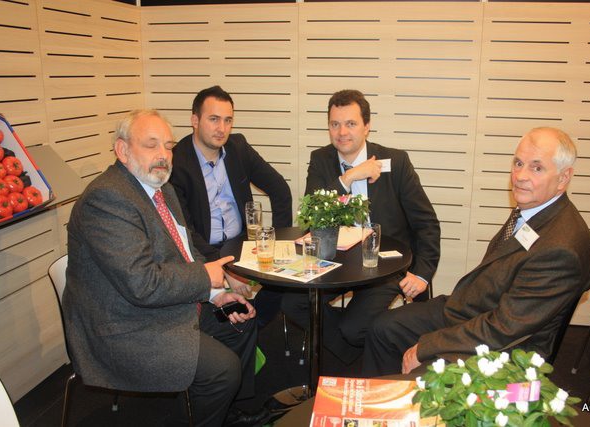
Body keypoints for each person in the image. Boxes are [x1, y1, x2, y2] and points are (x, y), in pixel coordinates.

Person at [62, 110, 265, 426]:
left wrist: (215, 294)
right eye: (151, 145)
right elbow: (141, 284)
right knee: (222, 370)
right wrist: (205, 277)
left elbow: (185, 251)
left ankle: (227, 411)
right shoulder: (106, 199)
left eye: (168, 146)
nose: (163, 155)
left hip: (162, 302)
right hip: (124, 324)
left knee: (241, 323)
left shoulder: (161, 188)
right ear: (122, 150)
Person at [363, 127, 590, 376]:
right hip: (475, 310)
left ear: (563, 178)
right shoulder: (534, 209)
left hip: (507, 348)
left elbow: (504, 328)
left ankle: (401, 395)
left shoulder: (560, 249)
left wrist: (426, 347)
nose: (520, 176)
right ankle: (379, 396)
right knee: (383, 328)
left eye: (536, 168)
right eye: (518, 163)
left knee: (422, 369)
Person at [281, 89, 441, 364]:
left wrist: (422, 274)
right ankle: (355, 357)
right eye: (335, 124)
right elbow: (312, 216)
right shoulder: (321, 159)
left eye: (351, 123)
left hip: (385, 265)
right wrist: (350, 176)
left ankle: (357, 351)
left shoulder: (396, 162)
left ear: (367, 126)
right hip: (336, 262)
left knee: (353, 329)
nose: (342, 132)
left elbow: (426, 223)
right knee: (292, 303)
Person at [170, 86, 293, 326]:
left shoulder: (238, 148)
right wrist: (227, 269)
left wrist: (277, 242)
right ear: (195, 120)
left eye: (228, 120)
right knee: (225, 315)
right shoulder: (177, 163)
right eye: (214, 119)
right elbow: (186, 232)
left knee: (284, 284)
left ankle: (253, 325)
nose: (222, 128)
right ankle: (238, 326)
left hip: (241, 245)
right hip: (203, 250)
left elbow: (280, 190)